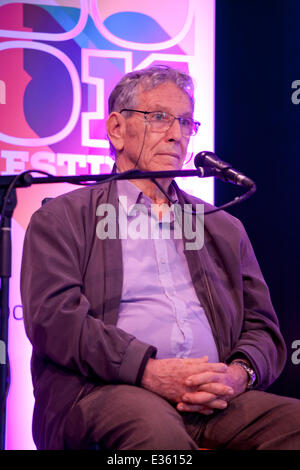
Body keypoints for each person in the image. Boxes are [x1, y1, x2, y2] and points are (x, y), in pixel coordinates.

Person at [21, 65, 300, 450]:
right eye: (159, 118)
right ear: (116, 129)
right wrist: (147, 371)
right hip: (104, 391)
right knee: (156, 436)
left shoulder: (221, 226)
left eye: (185, 122)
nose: (175, 134)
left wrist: (237, 375)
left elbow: (263, 329)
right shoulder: (63, 217)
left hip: (214, 400)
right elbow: (55, 319)